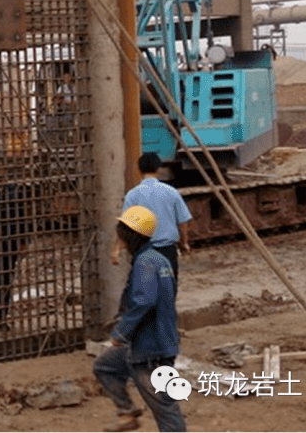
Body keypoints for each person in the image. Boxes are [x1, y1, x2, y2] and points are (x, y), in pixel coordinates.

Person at [93, 205, 186, 433]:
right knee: (105, 366)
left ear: (132, 235)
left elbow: (144, 301)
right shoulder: (157, 258)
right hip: (149, 341)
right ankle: (127, 413)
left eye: (122, 233)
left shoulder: (145, 263)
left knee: (164, 407)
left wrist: (121, 332)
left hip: (150, 349)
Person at [111, 153, 192, 285]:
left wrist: (116, 249)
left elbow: (126, 226)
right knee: (167, 293)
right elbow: (183, 222)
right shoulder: (171, 192)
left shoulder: (132, 195)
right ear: (159, 169)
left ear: (139, 170)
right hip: (167, 252)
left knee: (144, 294)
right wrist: (184, 242)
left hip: (142, 252)